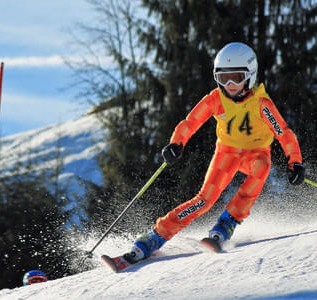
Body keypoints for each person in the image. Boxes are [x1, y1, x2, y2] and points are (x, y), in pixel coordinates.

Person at [124, 42, 305, 262]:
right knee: (204, 201)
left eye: (236, 78)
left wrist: (295, 162)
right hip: (226, 154)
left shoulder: (262, 104)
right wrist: (176, 143)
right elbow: (191, 121)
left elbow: (284, 133)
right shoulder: (216, 99)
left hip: (254, 153)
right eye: (223, 78)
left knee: (263, 167)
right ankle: (155, 236)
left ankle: (227, 223)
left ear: (250, 76)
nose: (229, 85)